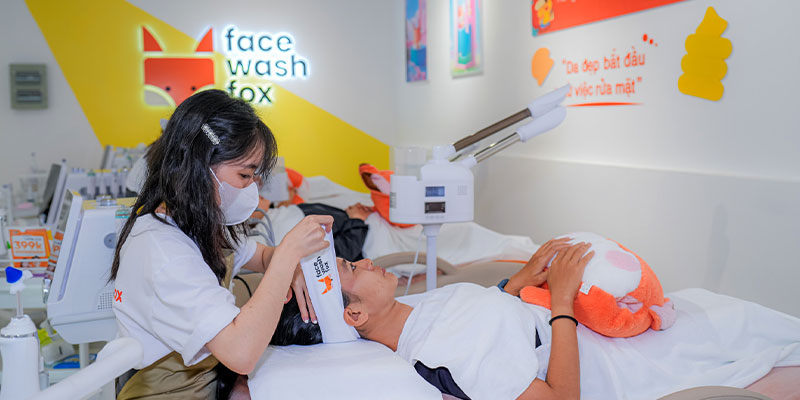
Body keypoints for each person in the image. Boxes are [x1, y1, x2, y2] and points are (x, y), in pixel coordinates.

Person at [272, 239, 800, 400]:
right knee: (744, 331)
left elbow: (484, 311)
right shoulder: (447, 354)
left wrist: (520, 279)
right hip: (612, 359)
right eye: (354, 269)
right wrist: (563, 301)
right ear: (354, 314)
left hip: (580, 322)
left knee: (713, 304)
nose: (367, 261)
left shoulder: (421, 310)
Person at [110, 89, 333, 399]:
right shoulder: (164, 251)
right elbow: (241, 352)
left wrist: (288, 264)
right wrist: (287, 258)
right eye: (245, 175)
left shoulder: (198, 226)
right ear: (200, 166)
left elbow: (261, 255)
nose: (251, 188)